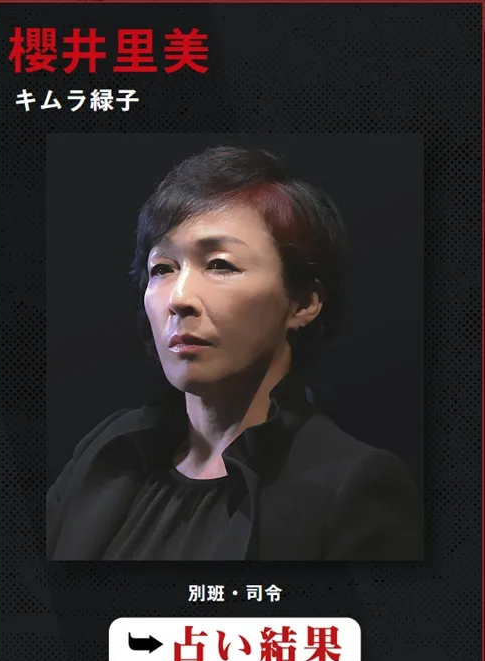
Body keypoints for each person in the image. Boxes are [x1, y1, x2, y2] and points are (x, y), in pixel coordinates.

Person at [46, 145, 423, 561]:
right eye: (163, 268)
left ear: (303, 303)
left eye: (220, 265)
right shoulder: (108, 452)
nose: (180, 298)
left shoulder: (352, 488)